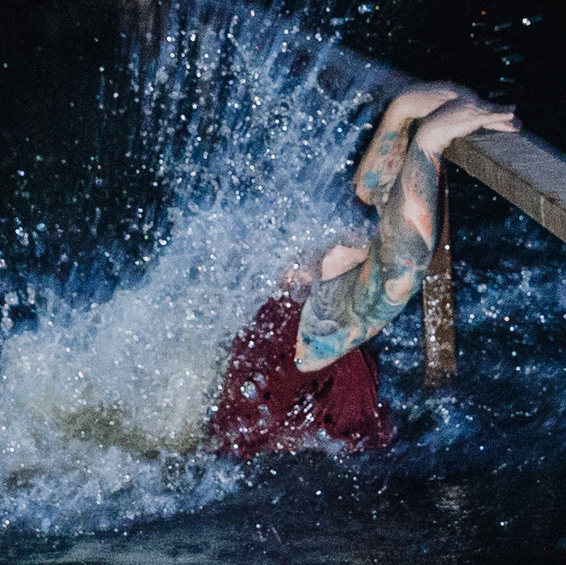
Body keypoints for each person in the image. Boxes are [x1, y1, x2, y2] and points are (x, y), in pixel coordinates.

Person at [207, 83, 518, 459]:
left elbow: (374, 203)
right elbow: (401, 269)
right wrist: (428, 142)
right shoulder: (324, 329)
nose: (361, 237)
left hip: (263, 466)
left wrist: (401, 113)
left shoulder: (282, 302)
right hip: (307, 492)